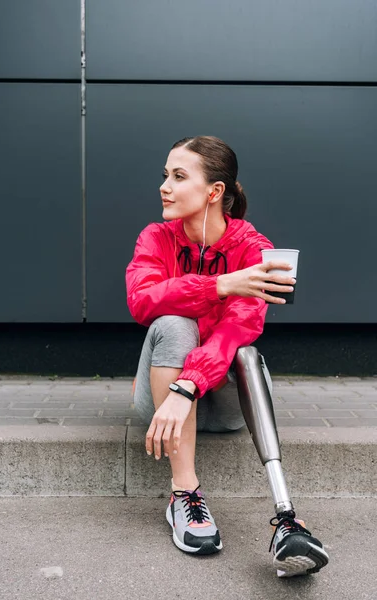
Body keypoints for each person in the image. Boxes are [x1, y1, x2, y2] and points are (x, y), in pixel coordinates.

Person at [125, 136, 329, 577]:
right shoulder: (155, 237)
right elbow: (141, 302)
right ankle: (184, 494)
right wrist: (218, 285)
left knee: (245, 348)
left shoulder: (254, 249)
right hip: (162, 405)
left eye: (179, 176)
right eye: (165, 175)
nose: (165, 186)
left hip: (220, 400)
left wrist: (188, 385)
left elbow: (239, 328)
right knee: (173, 324)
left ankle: (287, 518)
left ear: (215, 192)